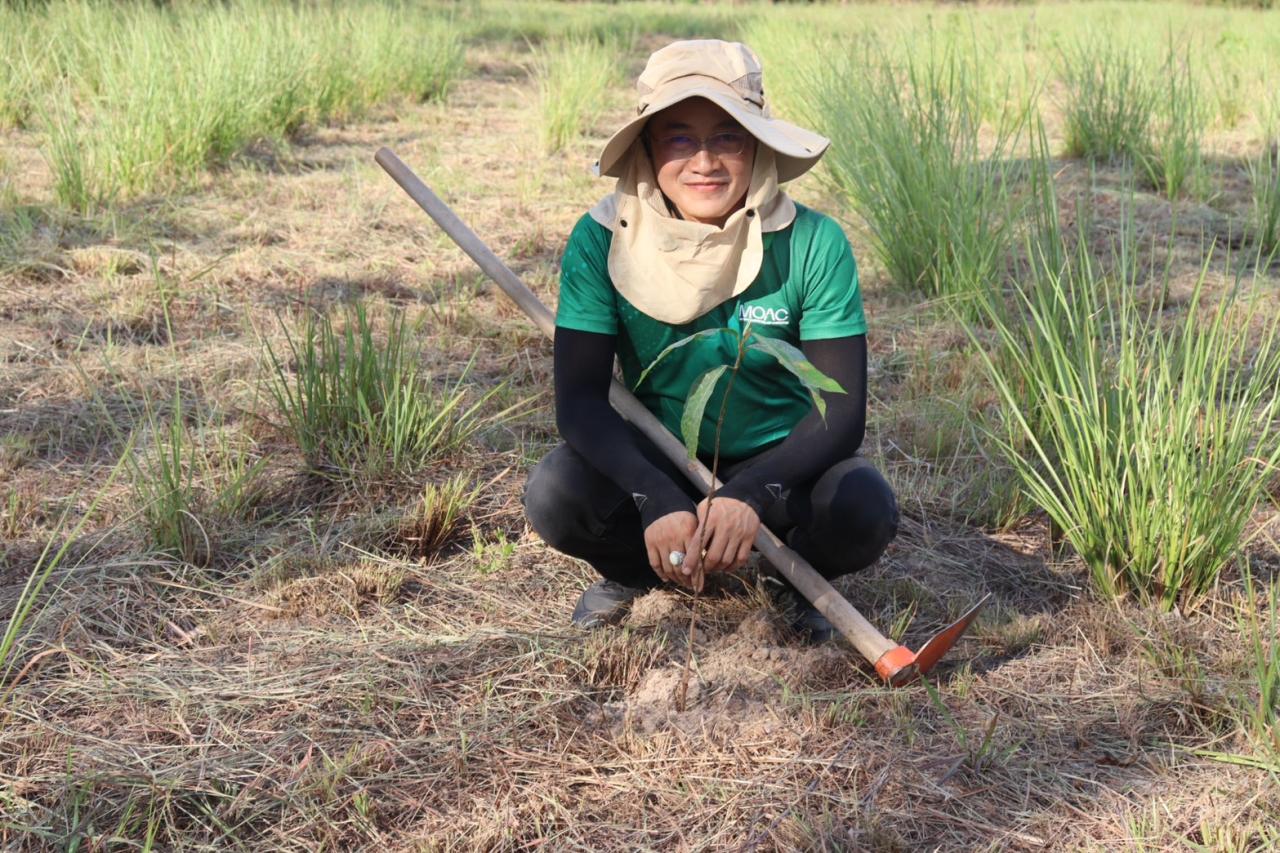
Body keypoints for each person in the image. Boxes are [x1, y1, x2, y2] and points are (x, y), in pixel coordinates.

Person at [523, 40, 899, 641]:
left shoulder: (814, 243)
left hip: (780, 462)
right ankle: (634, 572)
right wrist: (654, 497)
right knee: (556, 494)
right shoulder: (599, 241)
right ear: (647, 150)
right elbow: (582, 404)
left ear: (758, 145)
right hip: (657, 456)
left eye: (728, 137)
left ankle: (795, 581)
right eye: (678, 138)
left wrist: (751, 490)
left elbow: (843, 412)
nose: (704, 162)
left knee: (861, 508)